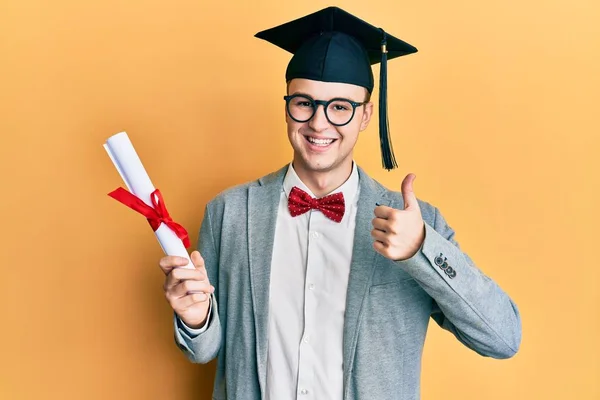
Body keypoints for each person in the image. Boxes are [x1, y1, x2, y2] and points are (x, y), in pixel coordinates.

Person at [158, 6, 522, 400]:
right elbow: (204, 350)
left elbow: (502, 338)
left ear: (366, 115)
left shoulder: (417, 223)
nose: (318, 123)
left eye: (340, 107)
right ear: (286, 107)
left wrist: (421, 250)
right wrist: (195, 319)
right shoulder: (230, 213)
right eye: (304, 103)